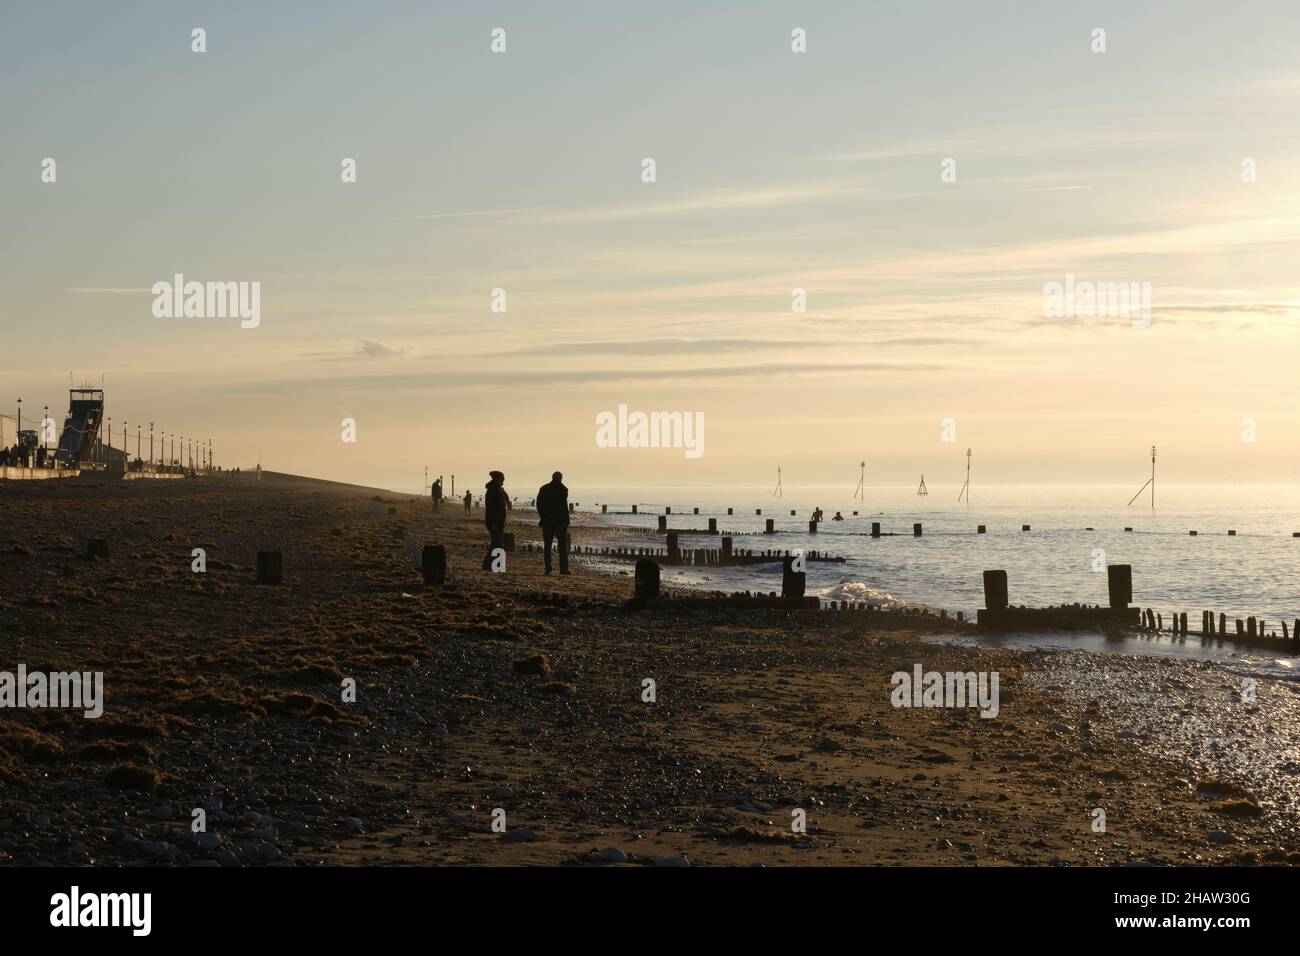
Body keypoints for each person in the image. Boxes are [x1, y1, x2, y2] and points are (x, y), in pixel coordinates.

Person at [535, 471, 571, 575]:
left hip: (547, 521)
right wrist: (566, 521)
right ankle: (563, 569)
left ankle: (548, 567)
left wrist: (543, 517)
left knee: (547, 545)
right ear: (560, 478)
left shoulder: (544, 488)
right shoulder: (563, 489)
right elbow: (563, 508)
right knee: (562, 546)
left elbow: (539, 504)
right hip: (560, 522)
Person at [481, 470, 509, 570]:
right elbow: (492, 508)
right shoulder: (493, 491)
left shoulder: (497, 490)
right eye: (502, 479)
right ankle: (490, 564)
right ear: (498, 479)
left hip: (498, 521)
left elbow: (503, 503)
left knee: (497, 542)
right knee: (496, 543)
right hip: (495, 521)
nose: (503, 481)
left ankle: (494, 565)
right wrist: (494, 523)